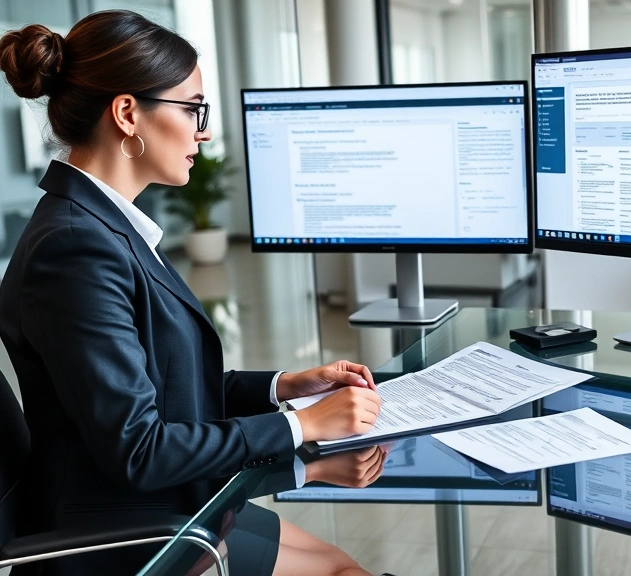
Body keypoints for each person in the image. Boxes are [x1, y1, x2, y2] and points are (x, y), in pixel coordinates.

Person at [0, 11, 386, 576]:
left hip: (163, 508)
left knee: (343, 566)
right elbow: (140, 447)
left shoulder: (101, 227)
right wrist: (305, 429)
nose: (202, 130)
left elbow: (161, 389)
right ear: (128, 113)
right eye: (193, 109)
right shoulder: (74, 250)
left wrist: (285, 387)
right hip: (127, 538)